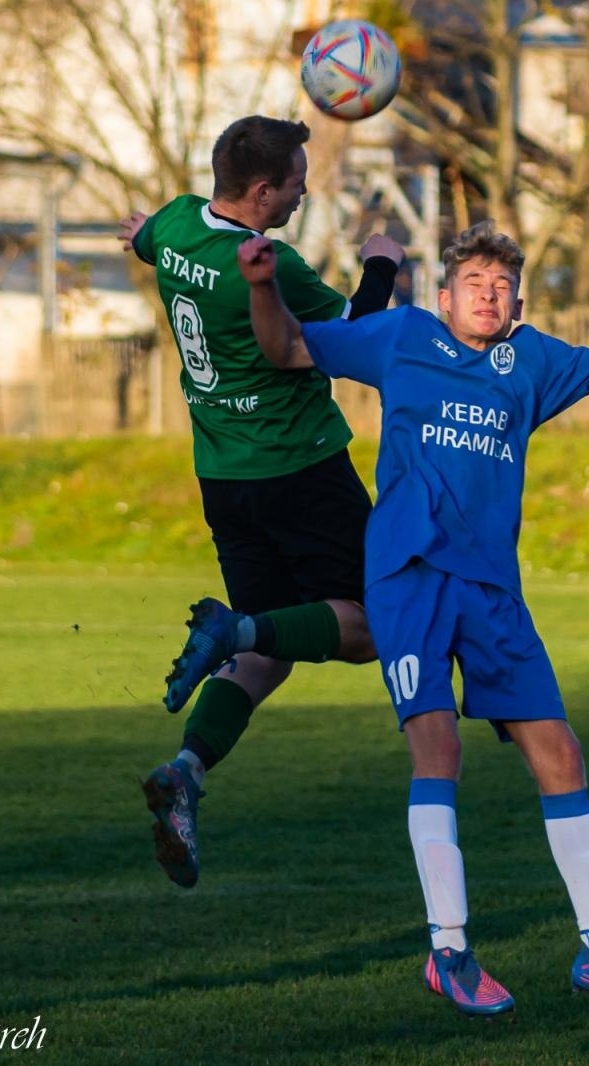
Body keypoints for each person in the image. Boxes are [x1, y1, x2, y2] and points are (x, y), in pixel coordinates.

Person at [237, 220, 589, 1018]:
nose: (489, 292)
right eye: (474, 281)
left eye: (502, 284)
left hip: (494, 590)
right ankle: (449, 948)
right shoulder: (402, 336)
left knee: (561, 754)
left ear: (514, 303)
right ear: (444, 297)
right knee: (437, 747)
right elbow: (289, 350)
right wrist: (263, 285)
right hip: (409, 575)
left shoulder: (532, 360)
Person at [117, 115, 405, 890]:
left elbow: (143, 238)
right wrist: (383, 264)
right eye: (296, 183)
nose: (304, 191)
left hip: (222, 473)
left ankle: (186, 771)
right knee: (373, 624)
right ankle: (233, 626)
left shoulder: (176, 223)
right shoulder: (270, 265)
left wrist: (143, 233)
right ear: (260, 191)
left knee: (268, 651)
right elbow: (356, 335)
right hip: (298, 469)